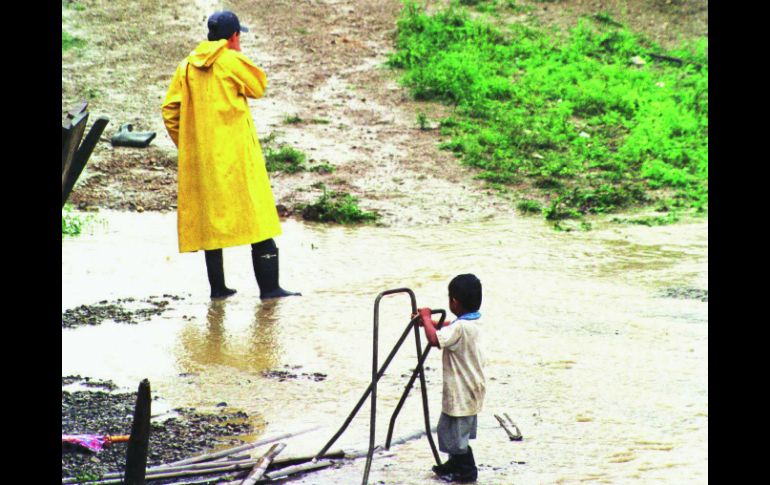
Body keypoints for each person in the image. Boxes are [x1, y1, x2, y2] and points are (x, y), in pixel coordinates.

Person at [161, 10, 299, 300]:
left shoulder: (186, 66)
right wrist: (236, 53)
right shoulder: (231, 60)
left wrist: (189, 145)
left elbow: (170, 110)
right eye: (238, 37)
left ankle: (218, 290)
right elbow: (258, 87)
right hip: (237, 158)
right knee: (258, 218)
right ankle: (270, 290)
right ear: (234, 36)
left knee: (211, 223)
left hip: (204, 161)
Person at [416, 274, 485, 483]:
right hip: (471, 388)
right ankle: (455, 464)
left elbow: (434, 339)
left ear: (454, 301)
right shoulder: (473, 321)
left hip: (461, 391)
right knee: (451, 430)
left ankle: (466, 471)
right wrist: (431, 323)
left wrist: (427, 319)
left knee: (456, 435)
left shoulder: (460, 328)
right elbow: (450, 326)